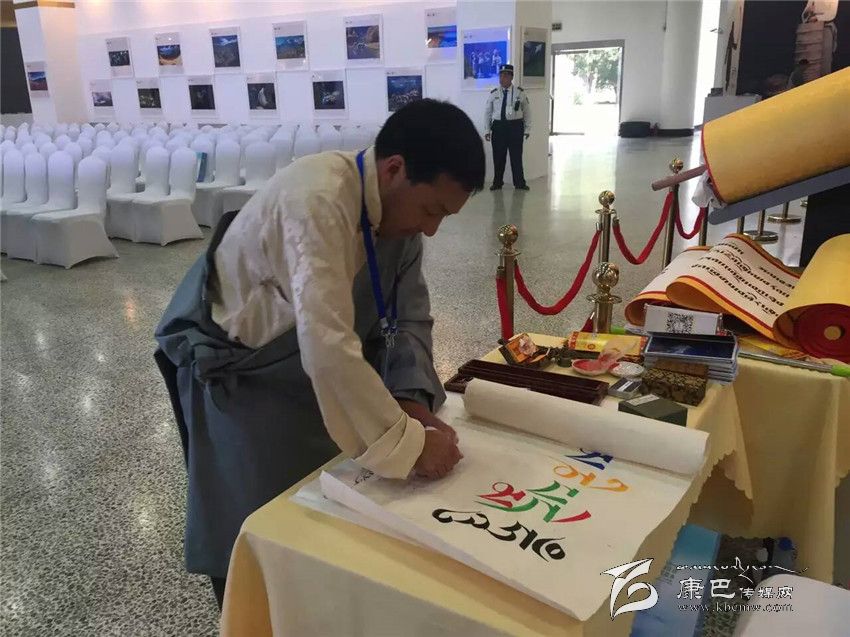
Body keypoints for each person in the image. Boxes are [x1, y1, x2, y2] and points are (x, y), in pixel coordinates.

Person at [154, 99, 486, 609]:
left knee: (327, 523)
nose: (431, 229)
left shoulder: (397, 216)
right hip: (247, 383)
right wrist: (408, 445)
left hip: (319, 376)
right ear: (394, 170)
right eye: (431, 210)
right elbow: (328, 348)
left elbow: (409, 317)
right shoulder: (316, 199)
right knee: (258, 526)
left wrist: (410, 399)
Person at [484, 64, 531, 191]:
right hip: (498, 127)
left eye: (505, 75)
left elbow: (527, 112)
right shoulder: (494, 93)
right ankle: (497, 182)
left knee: (516, 157)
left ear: (511, 77)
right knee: (498, 157)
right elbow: (488, 113)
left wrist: (527, 129)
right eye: (500, 75)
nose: (502, 78)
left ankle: (519, 183)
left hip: (515, 127)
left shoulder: (520, 93)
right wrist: (487, 130)